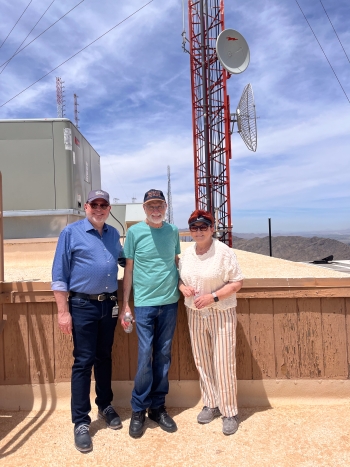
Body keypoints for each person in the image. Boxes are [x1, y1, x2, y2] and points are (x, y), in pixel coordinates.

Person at [51, 190, 124, 453]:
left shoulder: (114, 234)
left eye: (104, 204)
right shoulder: (70, 233)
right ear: (86, 207)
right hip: (82, 305)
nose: (99, 208)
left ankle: (105, 405)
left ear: (108, 208)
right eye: (95, 204)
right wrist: (63, 312)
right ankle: (81, 422)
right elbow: (59, 276)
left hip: (109, 304)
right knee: (83, 362)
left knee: (105, 356)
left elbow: (125, 261)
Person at [121, 189, 180, 438]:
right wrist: (125, 304)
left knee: (163, 355)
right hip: (144, 304)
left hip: (170, 302)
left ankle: (157, 407)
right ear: (144, 209)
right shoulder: (134, 233)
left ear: (165, 207)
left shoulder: (173, 231)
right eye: (151, 206)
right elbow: (129, 271)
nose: (156, 210)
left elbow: (176, 262)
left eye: (160, 206)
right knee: (145, 355)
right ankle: (138, 409)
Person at [178, 209, 244, 436]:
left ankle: (229, 411)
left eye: (203, 227)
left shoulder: (224, 252)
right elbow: (179, 278)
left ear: (212, 229)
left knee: (223, 361)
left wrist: (212, 297)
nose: (198, 232)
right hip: (194, 312)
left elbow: (237, 282)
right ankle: (211, 403)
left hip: (220, 311)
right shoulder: (186, 255)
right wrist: (182, 287)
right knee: (202, 359)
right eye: (194, 228)